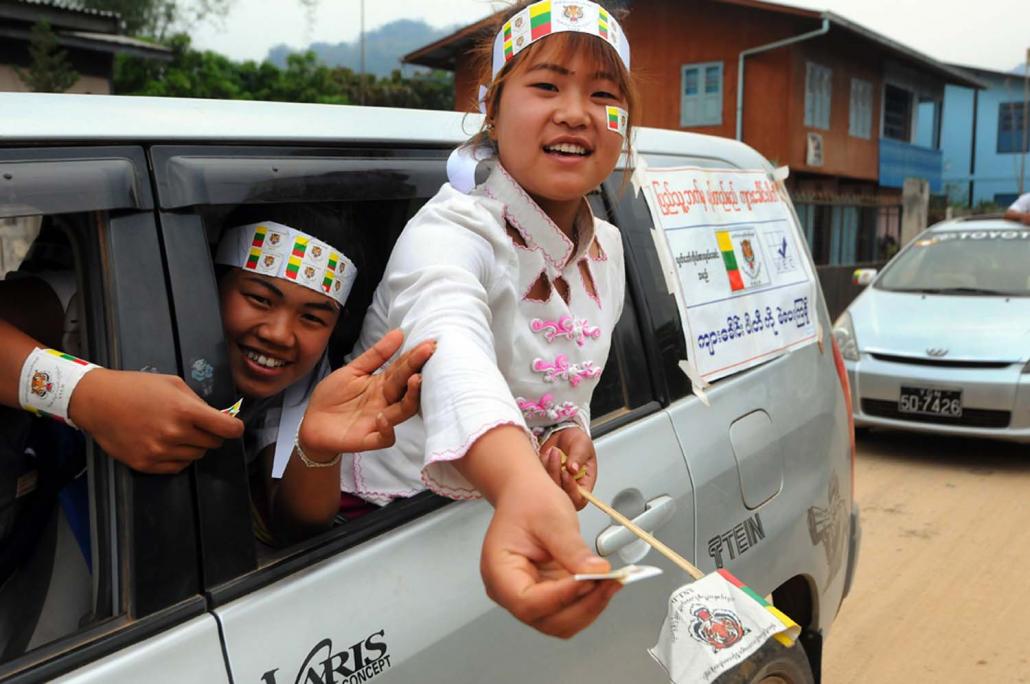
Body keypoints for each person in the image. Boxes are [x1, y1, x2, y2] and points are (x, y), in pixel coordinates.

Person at [332, 0, 639, 638]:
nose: (577, 112)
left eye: (604, 95)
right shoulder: (450, 230)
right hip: (381, 527)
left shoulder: (607, 250)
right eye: (547, 85)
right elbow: (451, 347)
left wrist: (566, 433)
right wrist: (522, 483)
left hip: (497, 517)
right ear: (492, 111)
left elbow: (569, 380)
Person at [0, 204, 433, 543]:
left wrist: (318, 452)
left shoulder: (308, 378)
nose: (280, 335)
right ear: (209, 283)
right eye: (260, 299)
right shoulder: (114, 303)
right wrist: (85, 395)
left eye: (313, 319)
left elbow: (296, 523)